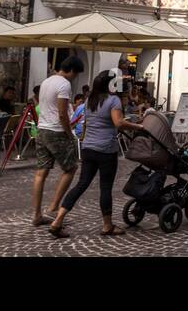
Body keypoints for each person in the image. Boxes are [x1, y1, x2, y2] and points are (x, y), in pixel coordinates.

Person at [49, 70, 144, 238]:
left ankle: (58, 220)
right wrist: (139, 127)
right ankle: (107, 225)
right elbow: (118, 123)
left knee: (81, 184)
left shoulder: (89, 101)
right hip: (106, 149)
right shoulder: (113, 100)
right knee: (105, 187)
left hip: (88, 148)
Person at [31, 55, 83, 228]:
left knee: (41, 172)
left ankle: (37, 214)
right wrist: (69, 133)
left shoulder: (46, 81)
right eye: (75, 74)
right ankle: (54, 206)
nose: (75, 78)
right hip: (56, 131)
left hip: (42, 129)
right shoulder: (64, 84)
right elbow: (62, 113)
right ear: (72, 71)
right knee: (71, 168)